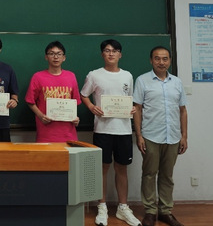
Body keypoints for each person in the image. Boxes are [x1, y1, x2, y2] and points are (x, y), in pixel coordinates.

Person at [80, 39, 141, 226]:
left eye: (115, 51)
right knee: (103, 168)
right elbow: (83, 94)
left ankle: (123, 207)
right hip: (102, 129)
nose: (111, 53)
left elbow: (128, 99)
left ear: (120, 54)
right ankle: (102, 206)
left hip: (123, 130)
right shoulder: (94, 75)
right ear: (102, 54)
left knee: (122, 168)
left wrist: (131, 108)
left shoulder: (128, 76)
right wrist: (91, 107)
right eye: (107, 50)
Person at [133, 46, 188, 226]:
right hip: (150, 135)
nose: (161, 62)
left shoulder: (177, 82)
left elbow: (182, 110)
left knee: (167, 175)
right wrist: (139, 135)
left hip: (173, 136)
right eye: (157, 58)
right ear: (151, 60)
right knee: (149, 174)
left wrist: (184, 136)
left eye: (165, 59)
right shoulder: (142, 81)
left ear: (170, 61)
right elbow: (137, 109)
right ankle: (150, 211)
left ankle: (165, 211)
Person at [25, 41, 80, 142]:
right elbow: (30, 101)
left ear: (64, 57)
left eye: (59, 54)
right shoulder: (38, 77)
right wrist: (41, 116)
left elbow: (75, 101)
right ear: (46, 57)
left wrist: (75, 118)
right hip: (46, 134)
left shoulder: (71, 76)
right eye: (52, 53)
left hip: (68, 134)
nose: (55, 57)